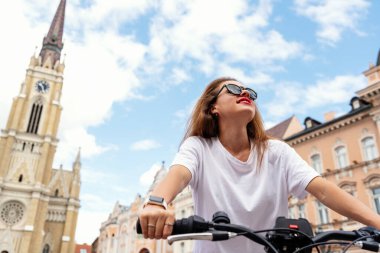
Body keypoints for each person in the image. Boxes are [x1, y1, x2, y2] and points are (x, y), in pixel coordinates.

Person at [139, 77, 380, 252]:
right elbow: (179, 174)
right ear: (213, 107)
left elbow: (323, 190)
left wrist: (377, 222)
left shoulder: (276, 151)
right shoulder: (199, 147)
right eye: (233, 89)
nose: (244, 92)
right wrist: (156, 203)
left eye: (250, 92)